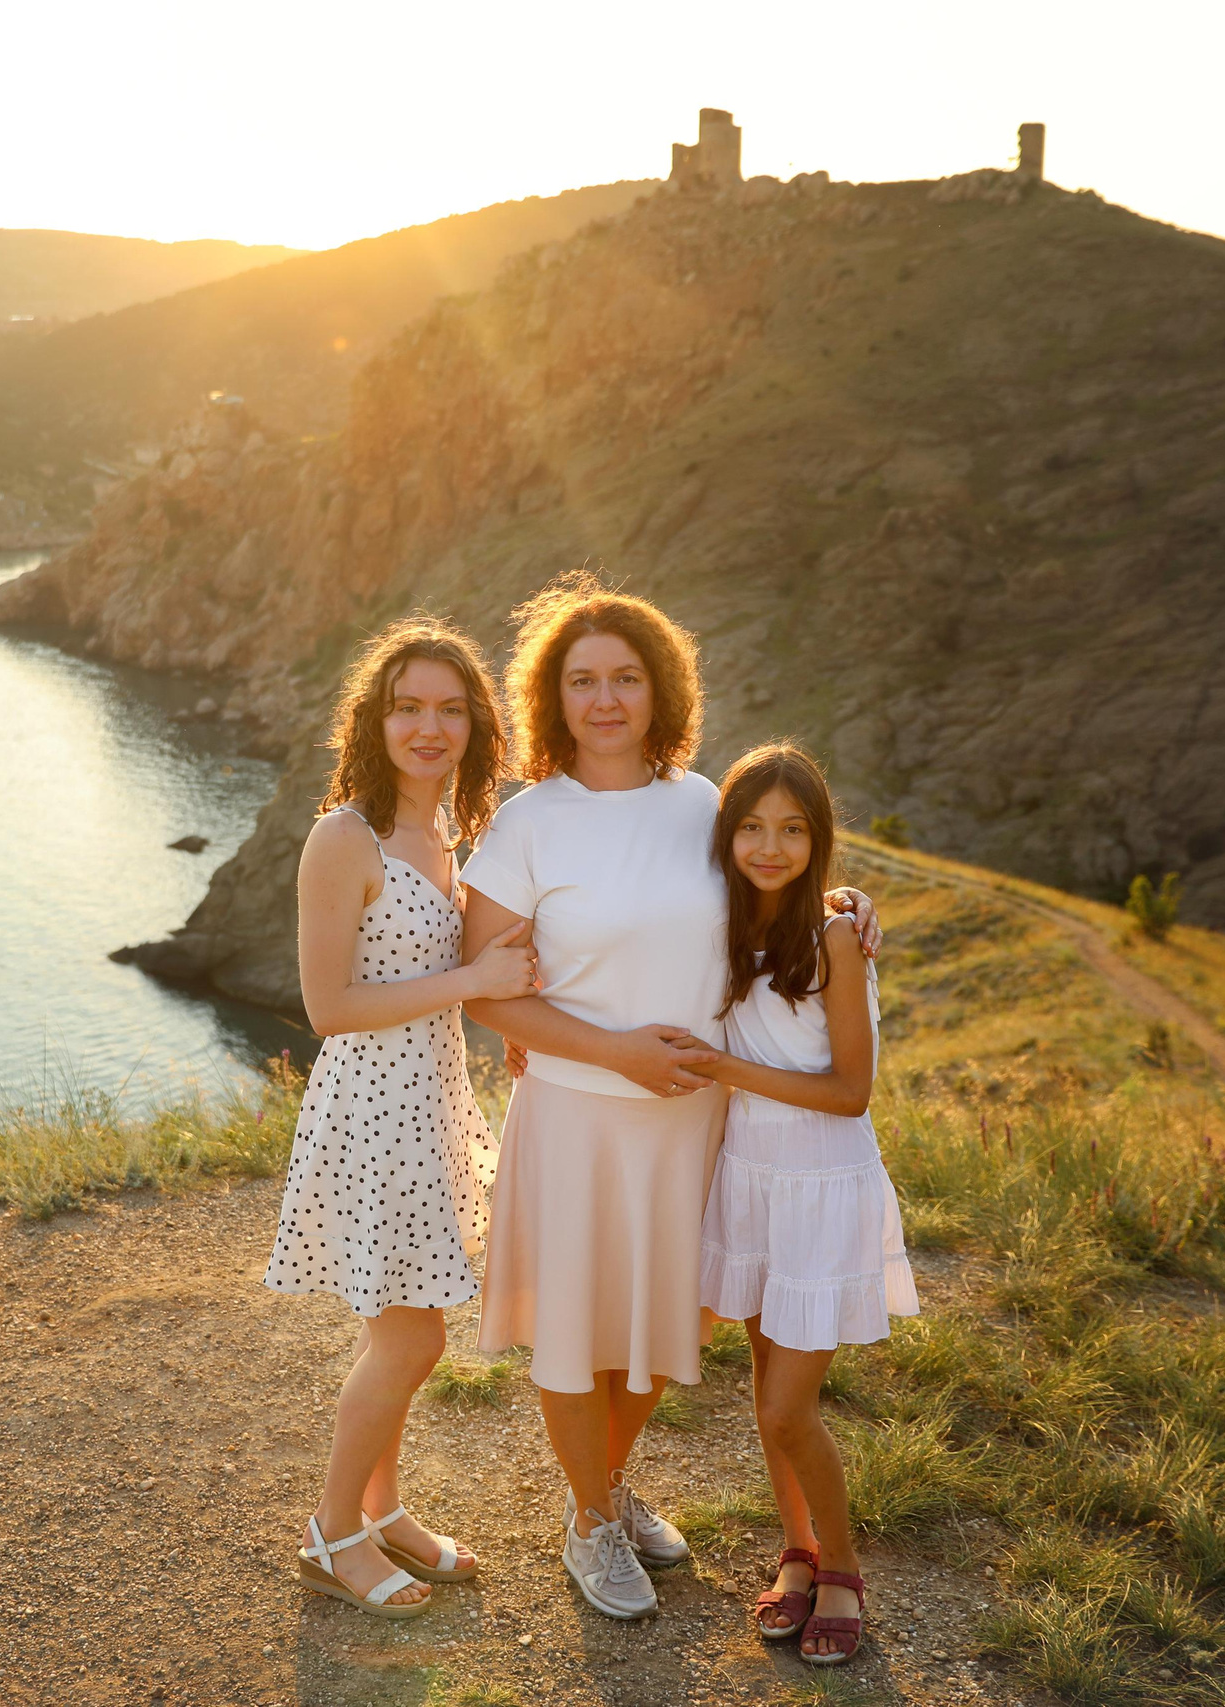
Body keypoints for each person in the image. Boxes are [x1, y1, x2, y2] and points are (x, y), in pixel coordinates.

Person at [458, 573, 879, 1621]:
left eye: (627, 679)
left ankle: (598, 1489)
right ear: (553, 699)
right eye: (583, 680)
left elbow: (771, 878)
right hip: (574, 1114)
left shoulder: (702, 805)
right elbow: (492, 999)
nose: (605, 700)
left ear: (661, 691)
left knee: (658, 1327)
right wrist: (612, 1051)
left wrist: (845, 902)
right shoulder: (525, 826)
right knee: (572, 1327)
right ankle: (592, 1524)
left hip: (693, 1120)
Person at [265, 616, 537, 1620]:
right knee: (411, 1340)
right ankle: (332, 1532)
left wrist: (494, 1010)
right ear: (373, 723)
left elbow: (437, 976)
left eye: (449, 709)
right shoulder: (346, 837)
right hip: (370, 1111)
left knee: (410, 1328)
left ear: (475, 725)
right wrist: (471, 980)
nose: (429, 726)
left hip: (427, 1103)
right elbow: (328, 1008)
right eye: (407, 707)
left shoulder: (447, 833)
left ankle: (383, 1512)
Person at [687, 742, 916, 1663]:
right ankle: (797, 1549)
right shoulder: (726, 922)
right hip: (751, 1175)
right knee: (762, 1377)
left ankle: (846, 1568)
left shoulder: (831, 936)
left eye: (791, 829)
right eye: (750, 826)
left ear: (819, 840)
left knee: (790, 1408)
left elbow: (852, 1090)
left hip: (822, 1183)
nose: (770, 845)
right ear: (727, 835)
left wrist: (728, 1069)